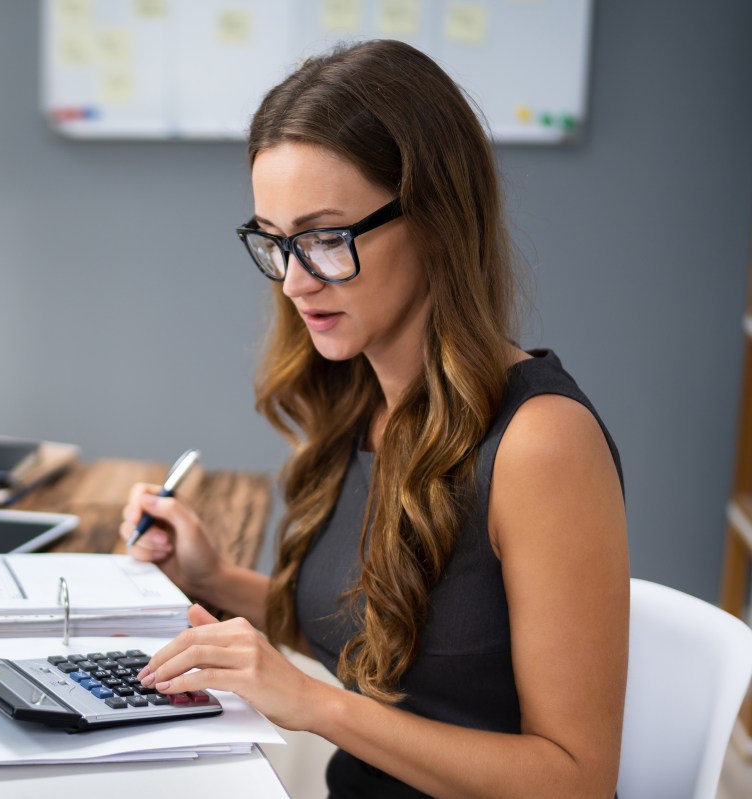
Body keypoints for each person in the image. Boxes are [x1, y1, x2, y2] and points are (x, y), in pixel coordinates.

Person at [119, 39, 628, 798]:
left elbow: (575, 780)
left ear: (435, 219)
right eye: (277, 241)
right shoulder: (366, 402)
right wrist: (216, 579)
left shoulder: (540, 444)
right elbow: (382, 639)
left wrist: (319, 705)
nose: (294, 281)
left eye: (326, 238)